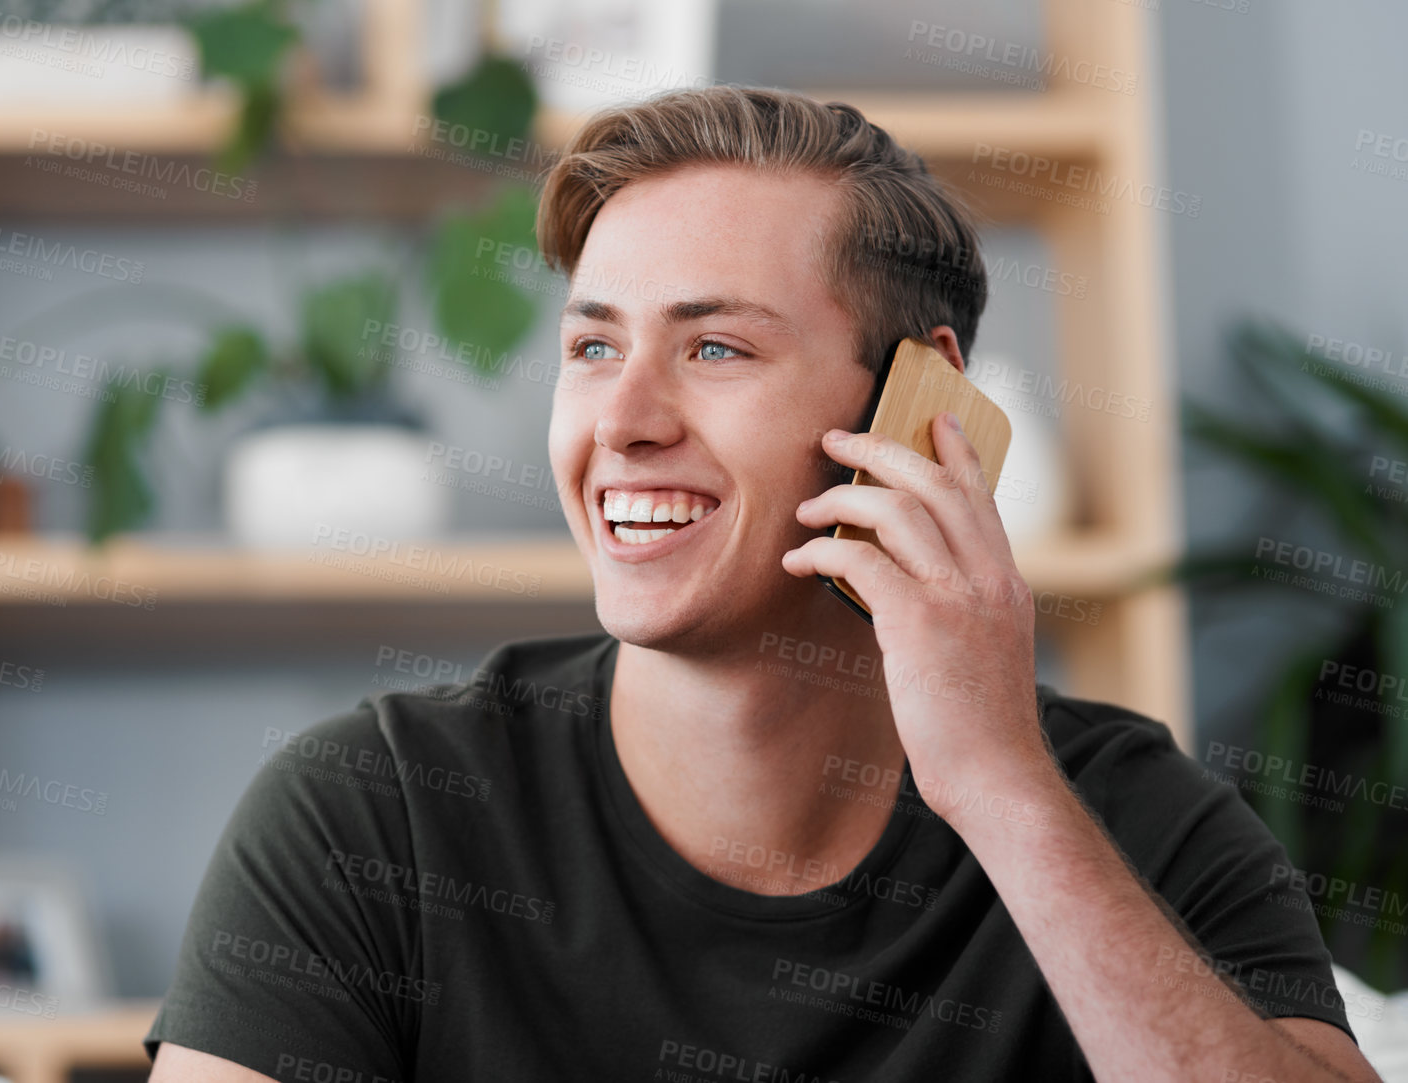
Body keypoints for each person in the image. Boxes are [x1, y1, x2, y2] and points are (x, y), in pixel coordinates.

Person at [146, 85, 1381, 1082]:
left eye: (715, 347)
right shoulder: (373, 816)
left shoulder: (1132, 821)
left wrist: (1002, 789)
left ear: (918, 407)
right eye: (592, 346)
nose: (622, 422)